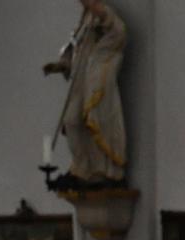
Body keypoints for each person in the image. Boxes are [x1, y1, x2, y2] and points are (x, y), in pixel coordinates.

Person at [43, 0, 127, 184]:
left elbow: (119, 33)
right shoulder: (84, 22)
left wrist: (100, 12)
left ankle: (101, 170)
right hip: (79, 80)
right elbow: (75, 53)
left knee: (91, 120)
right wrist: (60, 65)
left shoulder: (104, 15)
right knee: (71, 121)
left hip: (92, 80)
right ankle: (82, 169)